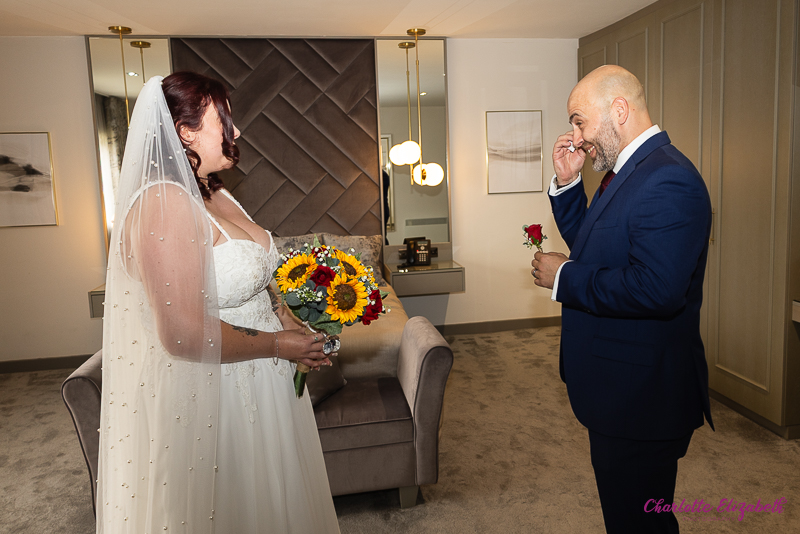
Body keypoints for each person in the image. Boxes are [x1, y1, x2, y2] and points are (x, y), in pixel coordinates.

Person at [97, 72, 340, 533]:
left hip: (265, 378)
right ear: (185, 132)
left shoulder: (217, 193)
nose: (238, 131)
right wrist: (279, 345)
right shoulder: (164, 205)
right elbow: (183, 334)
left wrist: (294, 326)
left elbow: (260, 280)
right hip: (218, 389)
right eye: (224, 119)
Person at [531, 65, 714, 533]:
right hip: (618, 389)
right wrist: (569, 184)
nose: (575, 136)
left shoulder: (668, 179)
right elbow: (597, 250)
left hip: (643, 397)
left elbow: (656, 288)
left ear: (618, 110)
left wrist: (564, 278)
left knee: (641, 522)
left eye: (579, 121)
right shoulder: (627, 173)